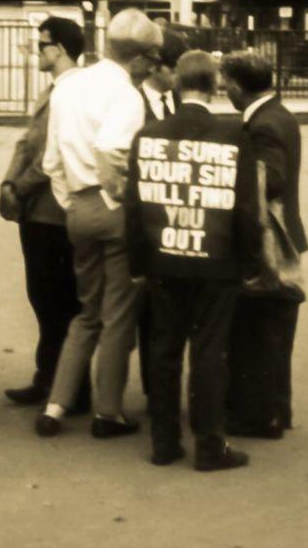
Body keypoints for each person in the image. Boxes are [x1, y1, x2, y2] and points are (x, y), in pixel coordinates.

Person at [125, 50, 262, 470]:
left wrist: (137, 263)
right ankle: (209, 445)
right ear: (215, 85)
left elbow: (134, 206)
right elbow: (244, 210)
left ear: (179, 85)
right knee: (208, 353)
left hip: (164, 259)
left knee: (164, 349)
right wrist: (250, 261)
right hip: (217, 263)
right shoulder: (233, 135)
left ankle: (164, 443)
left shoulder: (147, 135)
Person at [35, 8, 162, 439]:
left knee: (85, 313)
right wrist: (119, 198)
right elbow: (111, 149)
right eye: (154, 58)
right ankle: (108, 412)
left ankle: (55, 405)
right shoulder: (127, 95)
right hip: (113, 210)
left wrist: (73, 200)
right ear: (141, 57)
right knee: (118, 315)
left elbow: (51, 161)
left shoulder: (70, 87)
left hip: (78, 210)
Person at [0, 17, 91, 412]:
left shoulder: (70, 95)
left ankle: (68, 389)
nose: (38, 51)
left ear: (61, 50)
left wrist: (18, 186)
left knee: (58, 301)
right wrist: (9, 182)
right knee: (45, 299)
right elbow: (27, 144)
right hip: (37, 211)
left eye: (42, 45)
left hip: (53, 211)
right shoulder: (53, 91)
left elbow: (50, 159)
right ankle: (49, 378)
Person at [221, 51, 308, 439]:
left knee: (258, 328)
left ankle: (259, 416)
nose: (224, 89)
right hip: (285, 232)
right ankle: (276, 409)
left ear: (238, 86)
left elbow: (271, 180)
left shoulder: (262, 125)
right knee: (273, 329)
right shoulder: (279, 114)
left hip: (269, 239)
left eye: (226, 82)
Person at [136, 27, 188, 396]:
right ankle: (155, 391)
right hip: (146, 218)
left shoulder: (175, 101)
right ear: (157, 66)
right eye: (174, 70)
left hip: (175, 219)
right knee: (148, 316)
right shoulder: (131, 102)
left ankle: (161, 388)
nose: (178, 79)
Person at [139, 29, 188, 122]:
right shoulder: (131, 102)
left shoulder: (186, 102)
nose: (181, 74)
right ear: (152, 66)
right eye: (174, 69)